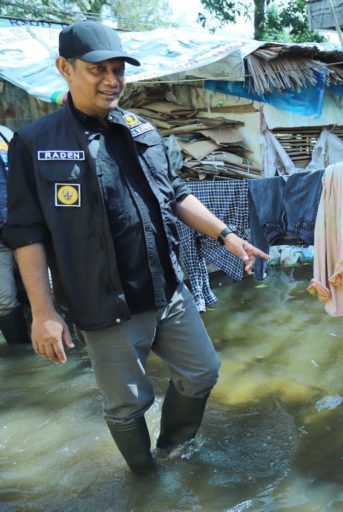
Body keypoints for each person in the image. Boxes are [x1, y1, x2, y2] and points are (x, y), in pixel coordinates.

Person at [2, 21, 268, 475]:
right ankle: (145, 480)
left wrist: (226, 235)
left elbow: (176, 194)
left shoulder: (140, 130)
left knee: (202, 371)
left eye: (118, 70)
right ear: (65, 68)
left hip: (166, 288)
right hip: (102, 302)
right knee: (127, 403)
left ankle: (173, 450)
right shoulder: (36, 143)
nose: (112, 81)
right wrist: (44, 313)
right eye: (98, 70)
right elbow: (27, 232)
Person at [0, 124, 31, 346]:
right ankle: (21, 353)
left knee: (46, 291)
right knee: (4, 300)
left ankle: (62, 345)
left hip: (24, 231)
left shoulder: (6, 134)